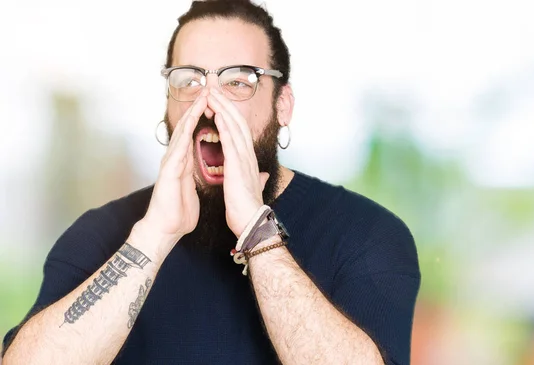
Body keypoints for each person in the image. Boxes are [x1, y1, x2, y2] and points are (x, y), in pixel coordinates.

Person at [2, 0, 420, 364]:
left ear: (283, 105)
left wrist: (257, 232)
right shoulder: (98, 234)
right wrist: (153, 237)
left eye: (238, 81)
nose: (209, 104)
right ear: (168, 103)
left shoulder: (367, 235)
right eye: (189, 81)